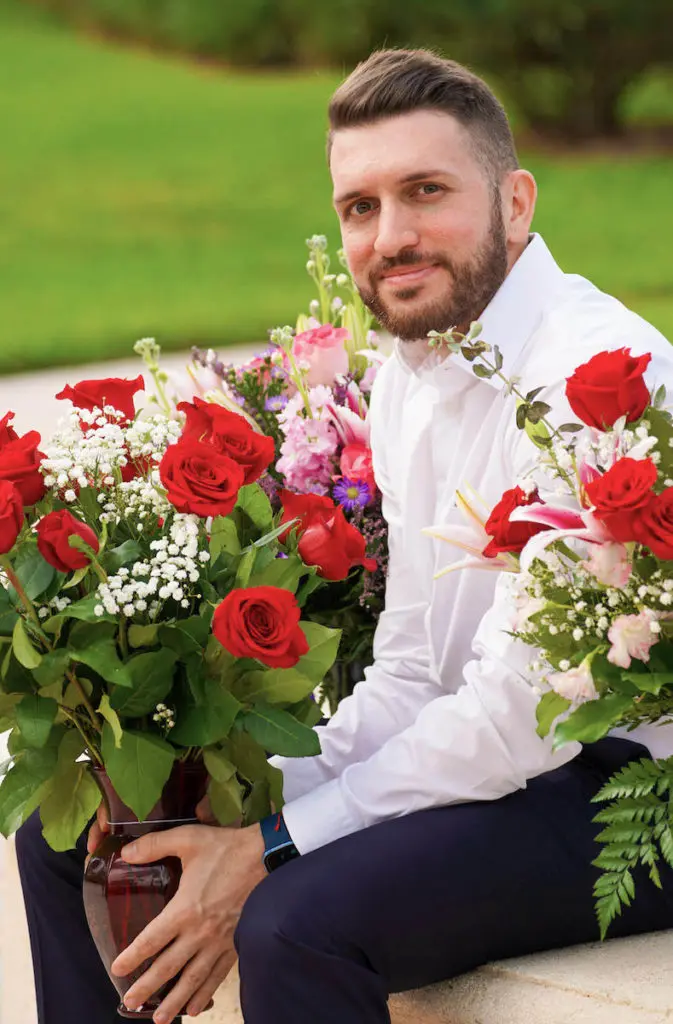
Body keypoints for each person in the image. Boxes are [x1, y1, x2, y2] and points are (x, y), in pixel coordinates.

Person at [16, 47, 673, 1024]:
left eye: (424, 191)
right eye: (359, 207)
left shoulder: (598, 384)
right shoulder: (414, 364)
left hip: (627, 791)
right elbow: (410, 669)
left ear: (517, 202)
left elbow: (515, 714)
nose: (391, 236)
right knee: (82, 830)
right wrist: (241, 790)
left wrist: (274, 840)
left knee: (294, 920)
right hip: (488, 756)